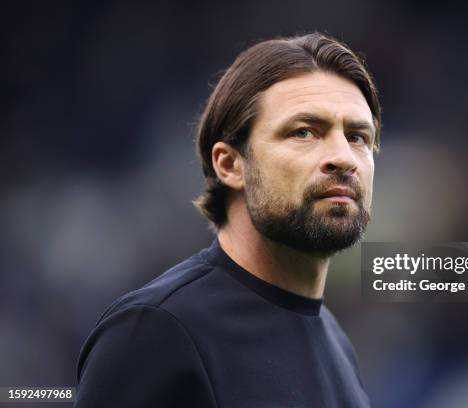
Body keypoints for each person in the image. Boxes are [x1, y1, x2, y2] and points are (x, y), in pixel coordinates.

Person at [74, 32, 381, 407]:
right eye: (304, 132)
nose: (343, 157)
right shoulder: (157, 331)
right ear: (230, 165)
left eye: (357, 137)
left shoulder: (337, 345)